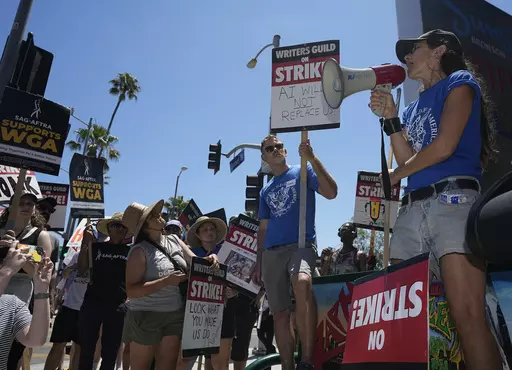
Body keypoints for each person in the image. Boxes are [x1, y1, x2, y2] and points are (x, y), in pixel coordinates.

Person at [370, 29, 501, 369]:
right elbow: (407, 159)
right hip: (412, 212)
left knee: (467, 313)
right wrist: (391, 119)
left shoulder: (459, 82)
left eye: (413, 49)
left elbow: (443, 147)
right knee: (401, 317)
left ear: (439, 51)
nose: (406, 58)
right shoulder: (411, 108)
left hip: (453, 204)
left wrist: (393, 178)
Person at [253, 135, 338, 370]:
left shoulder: (303, 171)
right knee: (279, 314)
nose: (275, 150)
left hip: (301, 245)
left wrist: (312, 157)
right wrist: (258, 260)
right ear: (264, 157)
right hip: (271, 253)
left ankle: (307, 361)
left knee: (302, 282)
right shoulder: (265, 190)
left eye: (279, 146)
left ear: (286, 150)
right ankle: (288, 366)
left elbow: (332, 192)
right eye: (270, 149)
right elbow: (263, 228)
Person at [122, 201, 219, 370]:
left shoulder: (174, 239)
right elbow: (132, 291)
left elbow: (196, 262)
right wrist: (165, 282)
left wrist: (212, 259)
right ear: (144, 226)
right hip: (146, 316)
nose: (160, 214)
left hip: (174, 314)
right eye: (153, 215)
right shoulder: (139, 251)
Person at [1, 191, 53, 370]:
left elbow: (39, 274)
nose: (25, 207)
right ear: (11, 207)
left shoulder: (40, 235)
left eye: (29, 204)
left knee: (13, 350)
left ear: (34, 210)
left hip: (22, 293)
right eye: (20, 203)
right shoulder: (1, 232)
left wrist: (18, 249)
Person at [77, 213, 131, 370]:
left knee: (111, 351)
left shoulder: (131, 251)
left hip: (117, 304)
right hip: (92, 302)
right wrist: (84, 243)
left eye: (123, 227)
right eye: (116, 226)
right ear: (108, 229)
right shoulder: (95, 247)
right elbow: (81, 269)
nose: (120, 229)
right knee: (86, 348)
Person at [187, 216, 238, 370]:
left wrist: (234, 290)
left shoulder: (228, 251)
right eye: (205, 229)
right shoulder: (190, 253)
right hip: (196, 313)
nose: (209, 232)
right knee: (189, 359)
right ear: (198, 234)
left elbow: (238, 279)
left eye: (212, 229)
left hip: (224, 311)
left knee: (220, 363)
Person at [43, 251, 88, 370]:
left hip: (86, 310)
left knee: (79, 349)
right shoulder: (77, 255)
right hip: (68, 306)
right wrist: (75, 266)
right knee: (58, 345)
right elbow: (65, 275)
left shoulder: (99, 255)